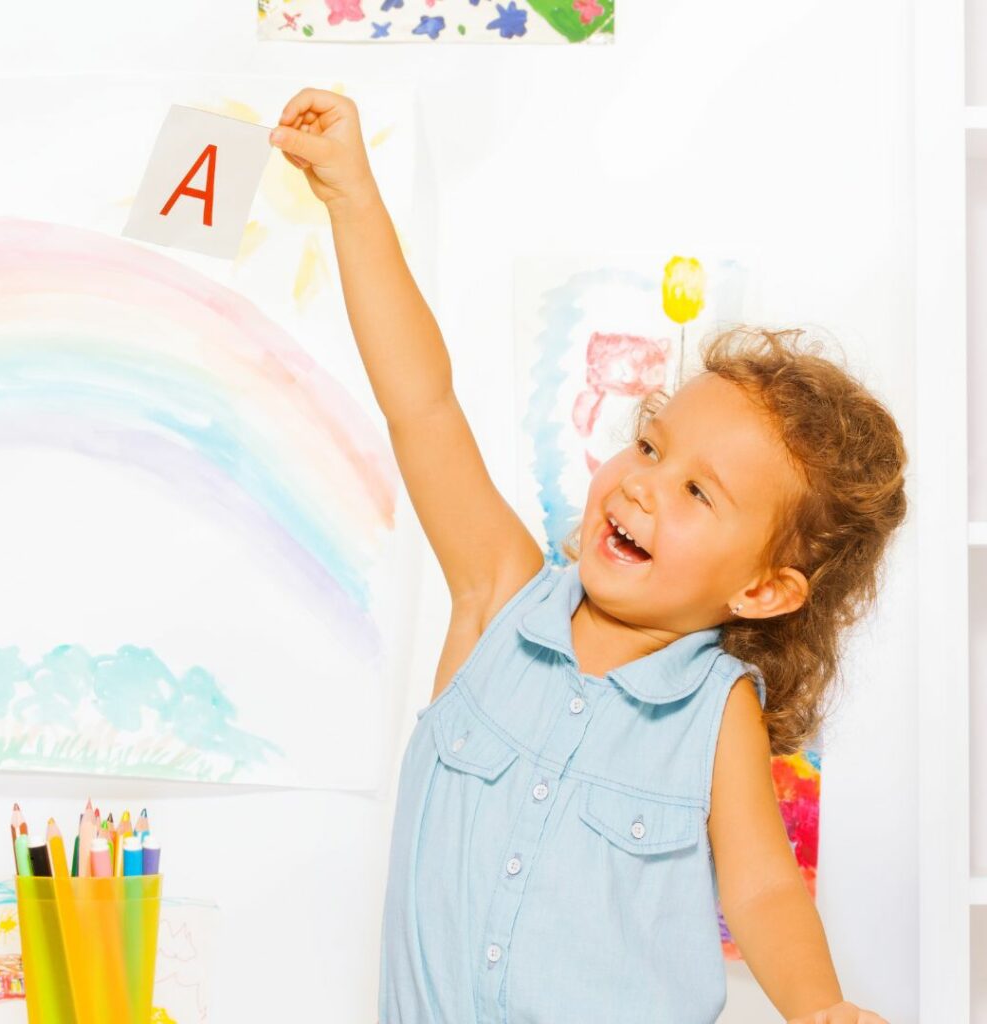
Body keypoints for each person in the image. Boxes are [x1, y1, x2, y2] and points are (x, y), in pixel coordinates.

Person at [269, 88, 904, 1024]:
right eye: (650, 446)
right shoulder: (500, 597)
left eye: (697, 493)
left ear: (765, 588)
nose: (645, 484)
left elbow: (764, 891)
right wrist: (353, 197)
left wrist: (819, 1008)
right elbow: (423, 404)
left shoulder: (713, 714)